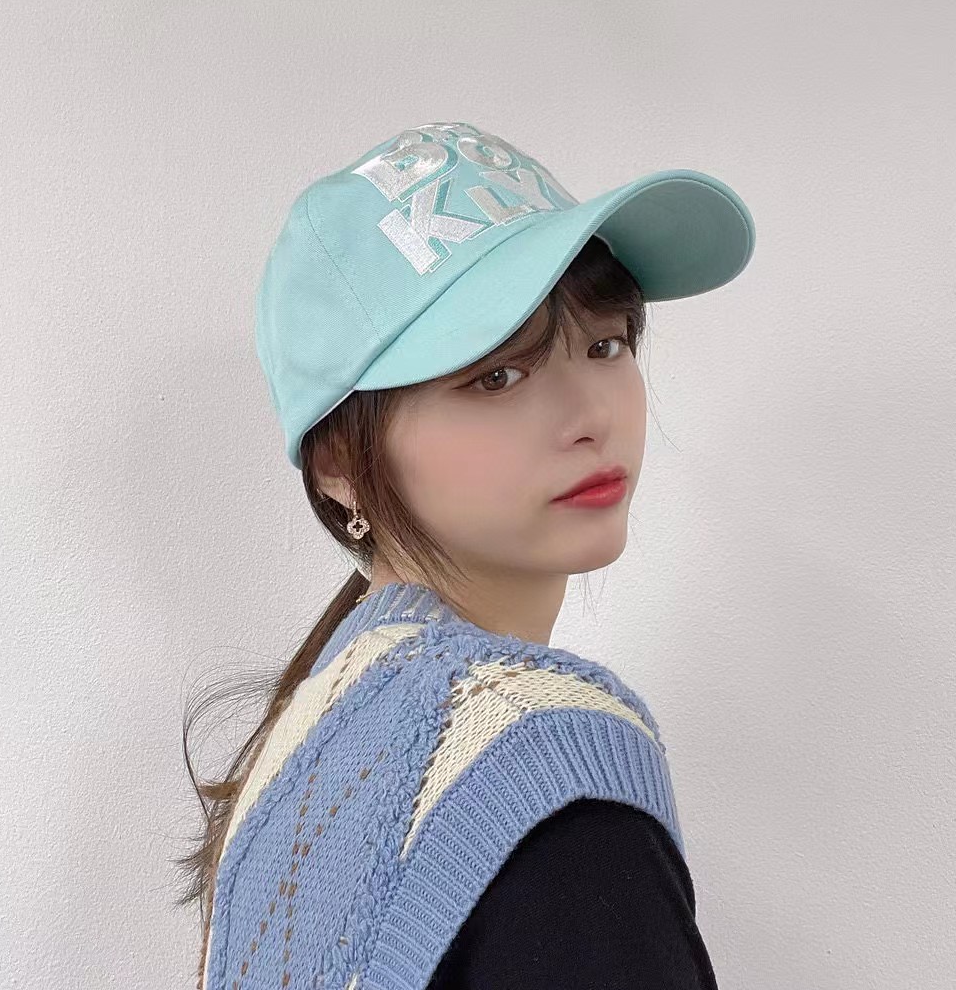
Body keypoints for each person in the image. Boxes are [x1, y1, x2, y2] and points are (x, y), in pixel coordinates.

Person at [176, 121, 756, 989]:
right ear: (338, 465)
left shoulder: (307, 735)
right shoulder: (554, 785)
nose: (591, 415)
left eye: (605, 344)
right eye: (497, 376)